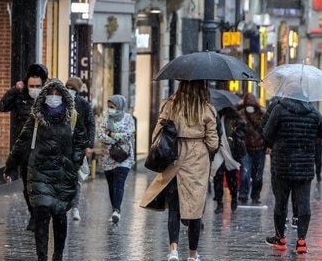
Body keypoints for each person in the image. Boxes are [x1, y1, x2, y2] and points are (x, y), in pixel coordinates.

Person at [3, 79, 85, 261]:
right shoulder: (36, 117)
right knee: (41, 213)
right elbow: (21, 142)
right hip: (40, 171)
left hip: (64, 173)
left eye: (57, 94)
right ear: (44, 96)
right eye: (50, 94)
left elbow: (81, 141)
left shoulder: (72, 117)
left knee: (59, 215)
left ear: (63, 97)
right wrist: (9, 166)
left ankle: (58, 255)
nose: (53, 98)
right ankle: (42, 257)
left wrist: (75, 162)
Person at [140, 81, 218, 261]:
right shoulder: (206, 109)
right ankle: (192, 254)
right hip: (197, 162)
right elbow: (213, 143)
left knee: (174, 207)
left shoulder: (171, 105)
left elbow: (157, 133)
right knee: (195, 209)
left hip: (174, 157)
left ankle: (173, 250)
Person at [263, 89, 322, 254]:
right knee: (303, 202)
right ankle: (301, 241)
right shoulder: (313, 111)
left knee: (281, 202)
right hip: (305, 165)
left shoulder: (279, 109)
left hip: (282, 164)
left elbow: (267, 134)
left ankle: (280, 238)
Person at [0, 63, 48, 231]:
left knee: (41, 185)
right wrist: (14, 89)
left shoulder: (48, 98)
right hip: (25, 149)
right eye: (31, 86)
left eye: (38, 86)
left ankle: (41, 216)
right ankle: (34, 215)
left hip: (43, 150)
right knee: (27, 185)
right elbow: (2, 106)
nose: (34, 89)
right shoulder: (20, 96)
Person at [98, 95, 135, 224]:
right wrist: (114, 138)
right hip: (107, 157)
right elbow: (100, 135)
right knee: (112, 185)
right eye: (108, 107)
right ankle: (114, 209)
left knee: (119, 182)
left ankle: (117, 211)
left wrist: (112, 134)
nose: (110, 109)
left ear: (119, 106)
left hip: (124, 157)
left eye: (112, 107)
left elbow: (129, 134)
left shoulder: (129, 118)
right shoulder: (105, 118)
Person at [65, 77, 95, 222]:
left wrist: (89, 145)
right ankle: (64, 205)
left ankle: (75, 206)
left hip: (77, 146)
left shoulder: (83, 104)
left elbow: (91, 124)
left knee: (76, 178)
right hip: (62, 146)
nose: (69, 91)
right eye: (67, 88)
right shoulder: (60, 102)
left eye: (72, 89)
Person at [213, 107, 246, 213]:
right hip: (219, 152)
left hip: (232, 152)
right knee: (218, 177)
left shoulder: (236, 119)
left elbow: (243, 130)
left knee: (232, 178)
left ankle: (234, 198)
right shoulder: (215, 117)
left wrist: (236, 135)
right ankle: (219, 202)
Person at [237, 93, 266, 205]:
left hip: (260, 148)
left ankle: (255, 195)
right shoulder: (240, 114)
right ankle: (243, 195)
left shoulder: (261, 115)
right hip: (246, 149)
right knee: (245, 173)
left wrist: (267, 145)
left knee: (257, 176)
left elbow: (266, 130)